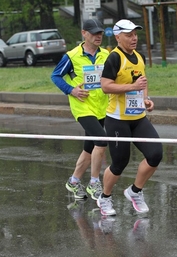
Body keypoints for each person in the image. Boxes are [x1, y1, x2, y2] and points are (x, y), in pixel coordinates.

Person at [97, 19, 163, 216]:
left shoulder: (139, 56)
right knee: (119, 163)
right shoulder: (114, 58)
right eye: (129, 35)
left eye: (135, 34)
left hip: (138, 118)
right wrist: (131, 88)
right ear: (118, 37)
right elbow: (105, 86)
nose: (133, 38)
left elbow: (142, 81)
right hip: (117, 119)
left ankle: (135, 191)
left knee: (155, 154)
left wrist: (146, 99)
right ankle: (105, 197)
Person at [51, 19, 109, 200]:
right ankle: (94, 183)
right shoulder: (72, 56)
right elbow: (55, 76)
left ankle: (74, 182)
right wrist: (72, 90)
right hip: (82, 108)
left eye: (100, 33)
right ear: (84, 33)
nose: (98, 36)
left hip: (101, 107)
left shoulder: (106, 54)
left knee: (89, 148)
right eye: (94, 33)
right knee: (101, 141)